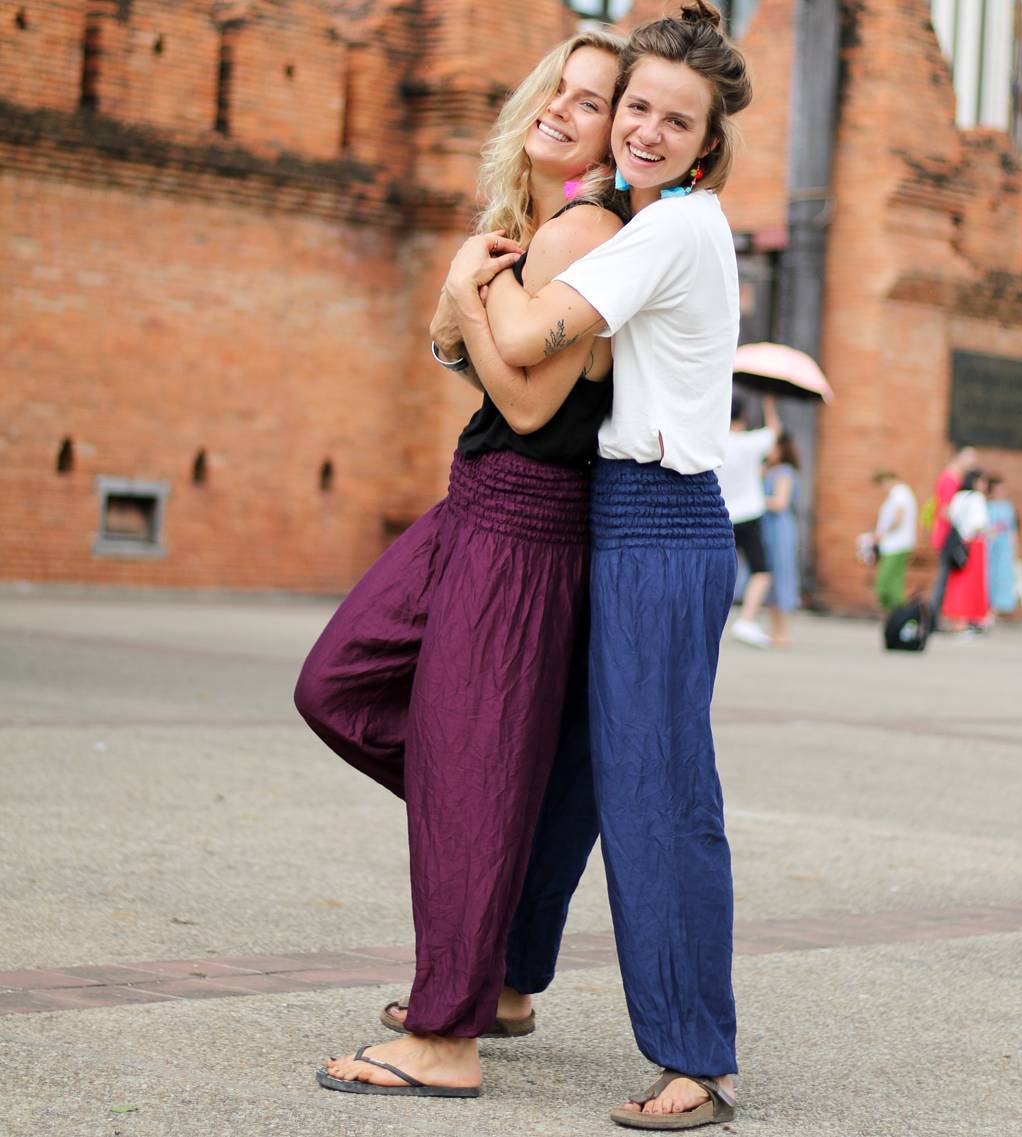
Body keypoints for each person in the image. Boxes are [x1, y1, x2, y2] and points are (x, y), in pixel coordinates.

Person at [295, 31, 625, 1098]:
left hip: (521, 525)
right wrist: (460, 319)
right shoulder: (537, 225)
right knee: (341, 686)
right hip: (472, 507)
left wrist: (458, 297)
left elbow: (527, 406)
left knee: (468, 772)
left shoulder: (584, 231)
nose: (565, 112)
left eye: (594, 103)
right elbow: (481, 371)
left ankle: (447, 1037)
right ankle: (488, 845)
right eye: (561, 90)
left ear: (621, 139)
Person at [447, 3, 751, 1126]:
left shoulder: (671, 229)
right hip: (618, 517)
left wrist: (465, 291)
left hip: (662, 527)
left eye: (678, 120)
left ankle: (698, 1058)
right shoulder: (649, 223)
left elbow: (528, 345)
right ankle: (512, 983)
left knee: (657, 793)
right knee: (574, 769)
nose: (647, 131)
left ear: (707, 144)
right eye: (638, 108)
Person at [723, 393, 782, 647]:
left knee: (722, 570)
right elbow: (775, 432)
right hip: (748, 514)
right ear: (744, 416)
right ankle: (746, 620)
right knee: (761, 571)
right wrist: (769, 405)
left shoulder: (716, 443)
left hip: (722, 514)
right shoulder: (749, 443)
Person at [928, 444, 978, 630]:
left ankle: (937, 618)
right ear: (959, 458)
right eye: (970, 458)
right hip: (948, 534)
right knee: (943, 577)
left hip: (949, 533)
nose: (972, 463)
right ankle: (933, 619)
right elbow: (945, 510)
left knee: (946, 577)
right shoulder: (950, 479)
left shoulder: (952, 478)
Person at [761, 432, 800, 645]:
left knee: (782, 573)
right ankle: (774, 630)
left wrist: (757, 500)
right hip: (768, 527)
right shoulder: (769, 470)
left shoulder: (784, 472)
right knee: (769, 578)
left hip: (780, 528)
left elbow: (780, 502)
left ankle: (783, 631)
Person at [941, 468, 990, 631]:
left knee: (956, 582)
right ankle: (967, 621)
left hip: (957, 543)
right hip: (974, 544)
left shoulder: (958, 496)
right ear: (976, 482)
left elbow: (948, 515)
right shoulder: (977, 498)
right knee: (972, 584)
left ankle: (955, 620)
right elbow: (979, 524)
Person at [871, 469, 917, 611]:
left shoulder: (899, 492)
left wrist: (882, 532)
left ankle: (901, 614)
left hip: (896, 545)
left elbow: (898, 517)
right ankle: (896, 616)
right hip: (894, 545)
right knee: (892, 583)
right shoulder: (898, 494)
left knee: (886, 584)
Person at [986, 475, 1018, 615]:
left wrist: (1014, 548)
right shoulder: (987, 506)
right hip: (991, 545)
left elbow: (1012, 529)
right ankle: (988, 606)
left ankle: (997, 608)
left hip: (1004, 547)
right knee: (989, 575)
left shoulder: (1008, 507)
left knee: (1002, 576)